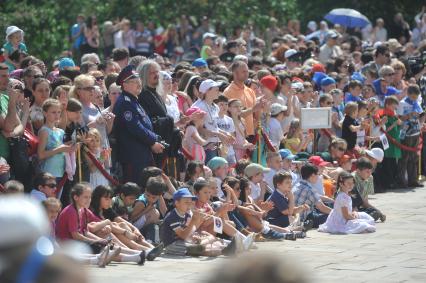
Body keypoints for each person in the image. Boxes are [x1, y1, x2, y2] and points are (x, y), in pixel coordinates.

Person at [112, 65, 164, 183]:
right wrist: (153, 140)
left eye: (139, 80)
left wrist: (155, 139)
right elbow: (135, 127)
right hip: (132, 156)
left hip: (142, 154)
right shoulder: (125, 103)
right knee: (135, 190)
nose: (139, 84)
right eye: (134, 82)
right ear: (124, 85)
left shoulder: (133, 101)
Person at [161, 187, 237, 257]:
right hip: (173, 245)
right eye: (186, 202)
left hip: (184, 241)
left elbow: (191, 230)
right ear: (177, 203)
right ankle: (225, 250)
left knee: (207, 241)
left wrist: (199, 221)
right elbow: (183, 236)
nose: (189, 205)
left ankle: (231, 246)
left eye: (190, 202)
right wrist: (194, 220)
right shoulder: (172, 216)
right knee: (204, 248)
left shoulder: (187, 214)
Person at [137, 60, 181, 168]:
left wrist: (175, 128)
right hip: (152, 148)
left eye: (157, 72)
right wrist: (169, 120)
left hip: (163, 146)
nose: (156, 75)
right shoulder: (142, 95)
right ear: (144, 75)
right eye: (152, 73)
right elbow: (147, 122)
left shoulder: (156, 93)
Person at [37, 99, 74, 194]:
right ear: (45, 113)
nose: (57, 115)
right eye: (53, 112)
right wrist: (60, 149)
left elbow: (63, 147)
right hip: (48, 174)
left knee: (56, 203)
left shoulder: (60, 131)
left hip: (60, 173)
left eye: (59, 112)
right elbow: (40, 154)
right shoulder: (44, 131)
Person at [224, 61, 263, 140]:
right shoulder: (228, 92)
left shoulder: (250, 91)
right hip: (237, 135)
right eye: (243, 71)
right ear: (235, 73)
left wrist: (261, 107)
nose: (246, 74)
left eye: (247, 71)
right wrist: (254, 109)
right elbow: (234, 115)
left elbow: (256, 116)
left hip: (251, 134)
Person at [397, 85, 425, 187]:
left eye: (416, 97)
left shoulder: (416, 102)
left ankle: (413, 180)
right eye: (412, 96)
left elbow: (422, 114)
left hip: (416, 132)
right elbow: (398, 118)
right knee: (404, 157)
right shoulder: (402, 103)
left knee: (414, 157)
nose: (414, 99)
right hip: (405, 133)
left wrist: (421, 124)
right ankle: (402, 180)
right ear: (408, 94)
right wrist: (408, 115)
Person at [293, 163, 331, 228]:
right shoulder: (310, 189)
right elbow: (322, 208)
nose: (318, 177)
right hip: (305, 218)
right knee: (331, 216)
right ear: (313, 175)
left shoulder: (297, 185)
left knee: (328, 204)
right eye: (318, 174)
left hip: (295, 216)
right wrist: (337, 213)